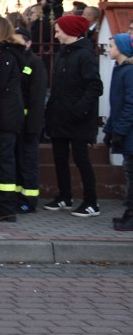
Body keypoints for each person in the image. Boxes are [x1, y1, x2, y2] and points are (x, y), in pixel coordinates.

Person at [43, 14, 103, 218]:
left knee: (81, 159)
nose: (56, 33)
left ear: (69, 31)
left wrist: (79, 109)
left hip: (78, 119)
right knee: (59, 158)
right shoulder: (62, 54)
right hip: (59, 117)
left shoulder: (84, 55)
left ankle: (91, 202)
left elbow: (95, 86)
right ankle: (64, 196)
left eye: (59, 29)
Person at [0, 15, 27, 223]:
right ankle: (2, 204)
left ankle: (5, 207)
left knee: (3, 161)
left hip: (5, 116)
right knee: (2, 160)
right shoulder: (8, 53)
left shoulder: (5, 55)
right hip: (5, 114)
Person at [12, 26, 47, 214]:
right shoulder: (15, 61)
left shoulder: (35, 62)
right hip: (15, 122)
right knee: (16, 161)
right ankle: (17, 197)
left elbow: (37, 97)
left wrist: (33, 126)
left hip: (29, 124)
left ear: (28, 42)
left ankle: (29, 199)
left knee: (28, 162)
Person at [103, 33, 133, 230]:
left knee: (131, 173)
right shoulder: (120, 68)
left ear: (122, 48)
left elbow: (130, 105)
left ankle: (130, 216)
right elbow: (116, 105)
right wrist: (109, 130)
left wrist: (119, 131)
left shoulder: (129, 71)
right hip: (125, 131)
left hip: (130, 133)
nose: (108, 49)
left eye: (111, 45)